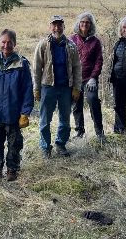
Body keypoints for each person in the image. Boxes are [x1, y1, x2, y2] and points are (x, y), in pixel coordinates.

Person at [0, 29, 34, 181]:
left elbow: (27, 89)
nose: (6, 45)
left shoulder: (22, 64)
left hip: (13, 113)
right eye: (3, 42)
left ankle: (12, 168)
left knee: (14, 143)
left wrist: (25, 113)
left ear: (14, 43)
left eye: (9, 42)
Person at [33, 16, 82, 158]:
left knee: (65, 120)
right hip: (48, 87)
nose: (57, 28)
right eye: (54, 25)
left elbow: (77, 68)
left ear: (63, 27)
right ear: (50, 27)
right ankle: (45, 147)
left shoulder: (71, 46)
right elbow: (36, 68)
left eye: (59, 25)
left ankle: (60, 144)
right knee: (44, 120)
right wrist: (36, 88)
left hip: (66, 88)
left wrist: (77, 87)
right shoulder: (43, 45)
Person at [69, 12, 105, 141]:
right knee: (76, 105)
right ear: (79, 24)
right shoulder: (71, 39)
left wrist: (93, 77)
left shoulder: (95, 42)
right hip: (75, 80)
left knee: (93, 101)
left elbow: (99, 60)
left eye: (87, 22)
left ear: (91, 25)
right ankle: (79, 132)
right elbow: (68, 60)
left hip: (90, 79)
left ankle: (99, 132)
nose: (84, 24)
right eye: (82, 22)